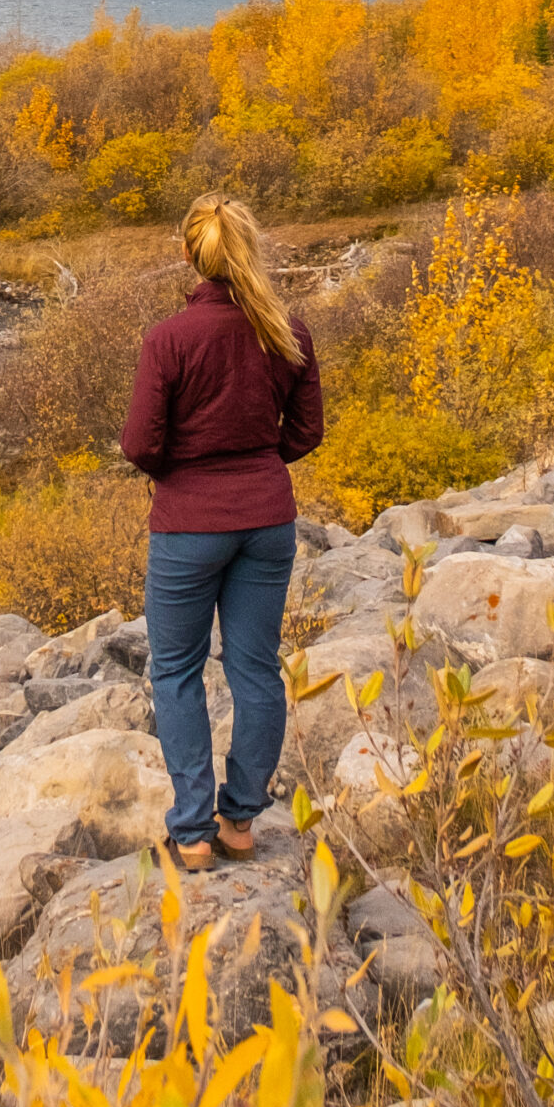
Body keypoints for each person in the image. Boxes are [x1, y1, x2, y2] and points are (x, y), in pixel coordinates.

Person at [119, 193, 325, 870]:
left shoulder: (169, 339)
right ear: (249, 250)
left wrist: (186, 471)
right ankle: (239, 823)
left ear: (189, 254)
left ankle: (191, 833)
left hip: (189, 525)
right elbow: (305, 432)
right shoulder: (285, 330)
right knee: (255, 669)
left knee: (177, 671)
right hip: (267, 521)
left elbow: (139, 444)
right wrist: (259, 467)